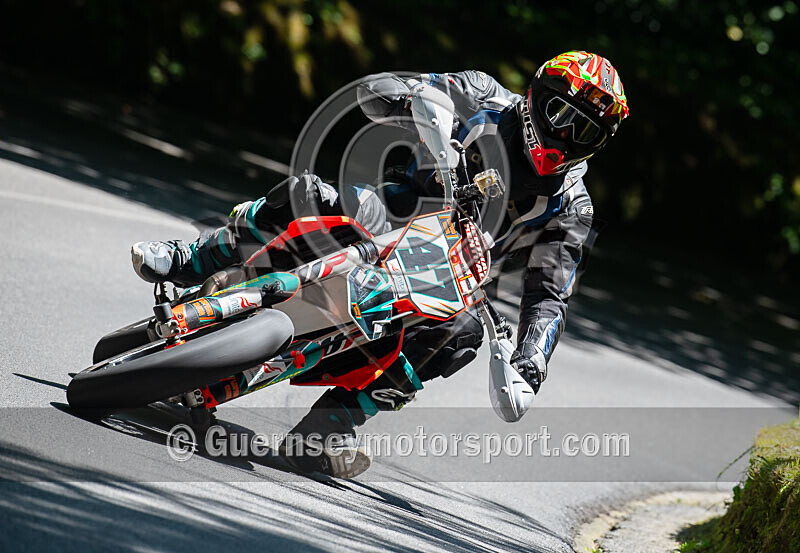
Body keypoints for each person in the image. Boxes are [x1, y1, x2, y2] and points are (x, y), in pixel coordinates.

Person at [131, 51, 629, 478]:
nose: (565, 135)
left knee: (461, 338)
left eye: (584, 130)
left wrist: (530, 365)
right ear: (537, 95)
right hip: (392, 210)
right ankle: (195, 256)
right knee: (307, 195)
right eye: (559, 114)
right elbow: (379, 92)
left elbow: (550, 293)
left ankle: (329, 430)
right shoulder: (482, 96)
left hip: (450, 274)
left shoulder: (573, 207)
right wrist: (410, 97)